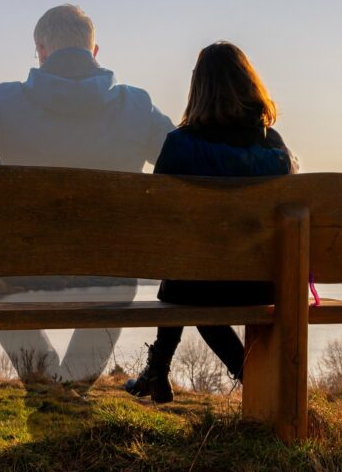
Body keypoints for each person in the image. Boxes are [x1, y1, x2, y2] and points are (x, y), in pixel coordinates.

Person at [0, 4, 174, 382]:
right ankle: (71, 384)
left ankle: (48, 386)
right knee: (117, 287)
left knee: (2, 290)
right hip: (111, 277)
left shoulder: (2, 105)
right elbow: (184, 161)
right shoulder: (137, 106)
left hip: (24, 275)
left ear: (41, 50)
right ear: (94, 51)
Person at [126, 41, 297, 404]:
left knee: (185, 281)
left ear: (198, 89)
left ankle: (163, 368)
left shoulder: (180, 145)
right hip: (263, 284)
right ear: (249, 83)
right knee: (189, 279)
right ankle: (164, 370)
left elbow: (155, 218)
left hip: (197, 284)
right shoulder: (273, 147)